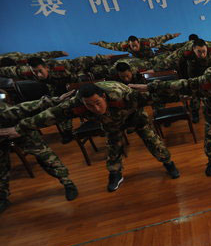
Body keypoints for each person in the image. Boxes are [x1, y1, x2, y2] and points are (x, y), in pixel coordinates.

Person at [2, 81, 180, 192]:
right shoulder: (75, 105)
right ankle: (115, 174)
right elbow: (50, 116)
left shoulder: (122, 95)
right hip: (111, 124)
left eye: (97, 103)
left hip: (134, 116)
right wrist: (21, 128)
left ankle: (168, 163)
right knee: (113, 147)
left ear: (104, 96)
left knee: (152, 140)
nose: (95, 108)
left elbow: (159, 96)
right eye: (89, 106)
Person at [0, 91, 78, 213]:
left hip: (20, 130)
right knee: (1, 167)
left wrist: (57, 100)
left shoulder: (5, 113)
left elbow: (28, 107)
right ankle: (2, 198)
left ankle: (68, 183)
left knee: (46, 157)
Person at [90, 33, 181, 59]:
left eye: (135, 45)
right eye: (132, 46)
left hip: (151, 58)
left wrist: (172, 36)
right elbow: (110, 45)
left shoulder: (146, 42)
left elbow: (160, 39)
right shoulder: (124, 46)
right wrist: (99, 43)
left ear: (138, 42)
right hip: (137, 60)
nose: (134, 48)